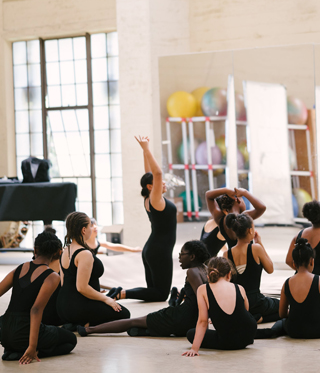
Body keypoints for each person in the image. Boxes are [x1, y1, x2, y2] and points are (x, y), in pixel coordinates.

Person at [0, 231, 76, 363]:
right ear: (58, 252)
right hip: (24, 333)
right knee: (70, 340)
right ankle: (31, 352)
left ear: (35, 250)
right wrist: (32, 346)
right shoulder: (52, 276)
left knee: (48, 331)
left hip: (5, 334)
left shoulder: (20, 268)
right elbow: (35, 310)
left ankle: (15, 351)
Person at [77, 240, 210, 338]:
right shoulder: (205, 269)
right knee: (147, 322)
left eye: (182, 254)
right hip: (190, 323)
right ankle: (144, 331)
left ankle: (89, 330)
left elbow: (203, 298)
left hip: (181, 318)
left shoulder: (192, 272)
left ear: (192, 257)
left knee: (133, 321)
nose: (180, 257)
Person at [116, 136, 177, 302]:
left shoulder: (150, 198)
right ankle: (123, 293)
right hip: (159, 251)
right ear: (150, 186)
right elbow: (156, 173)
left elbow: (150, 174)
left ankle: (122, 293)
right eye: (158, 182)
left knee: (154, 292)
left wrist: (145, 151)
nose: (163, 182)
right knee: (161, 294)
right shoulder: (155, 200)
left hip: (153, 249)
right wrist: (147, 149)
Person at [57, 212, 129, 328]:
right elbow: (82, 287)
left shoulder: (66, 250)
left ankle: (79, 323)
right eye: (90, 225)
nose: (93, 228)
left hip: (62, 306)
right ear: (84, 230)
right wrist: (106, 299)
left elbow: (64, 282)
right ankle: (85, 324)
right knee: (124, 314)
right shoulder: (84, 253)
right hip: (77, 307)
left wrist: (96, 294)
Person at [183, 257, 257, 355]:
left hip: (227, 342)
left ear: (208, 275)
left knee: (191, 333)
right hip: (248, 336)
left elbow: (203, 321)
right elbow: (245, 311)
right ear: (229, 274)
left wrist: (194, 349)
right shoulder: (239, 287)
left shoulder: (203, 289)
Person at [224, 213, 280, 323]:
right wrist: (259, 242)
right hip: (256, 302)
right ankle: (259, 318)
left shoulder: (227, 254)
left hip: (238, 304)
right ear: (250, 231)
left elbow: (227, 281)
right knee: (282, 307)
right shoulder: (256, 248)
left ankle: (250, 317)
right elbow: (270, 269)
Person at [202, 186, 266, 256]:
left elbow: (208, 195)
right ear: (237, 200)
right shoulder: (244, 217)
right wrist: (245, 192)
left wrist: (226, 190)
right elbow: (262, 207)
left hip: (233, 259)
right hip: (249, 258)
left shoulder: (220, 219)